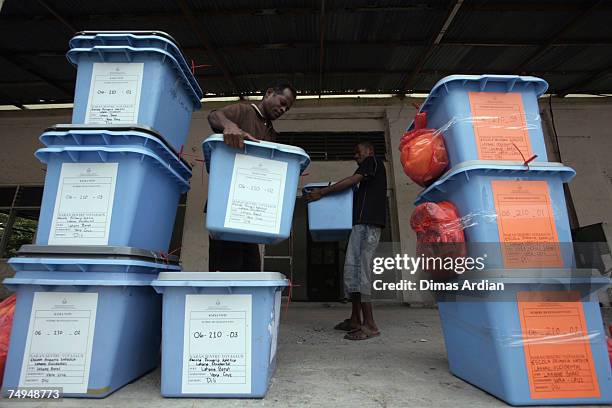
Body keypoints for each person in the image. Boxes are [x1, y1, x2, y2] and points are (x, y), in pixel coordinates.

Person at [206, 80, 296, 271]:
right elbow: (214, 116)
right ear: (269, 92)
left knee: (252, 269)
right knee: (227, 270)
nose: (283, 109)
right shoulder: (244, 110)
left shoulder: (271, 132)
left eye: (286, 108)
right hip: (226, 210)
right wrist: (230, 126)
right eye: (282, 102)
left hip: (250, 212)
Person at [304, 142, 387, 340]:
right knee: (353, 271)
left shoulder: (373, 162)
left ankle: (370, 325)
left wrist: (321, 192)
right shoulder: (368, 180)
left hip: (369, 225)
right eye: (354, 153)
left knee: (361, 272)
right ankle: (355, 319)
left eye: (359, 152)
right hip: (361, 225)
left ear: (370, 151)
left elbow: (351, 180)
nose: (356, 156)